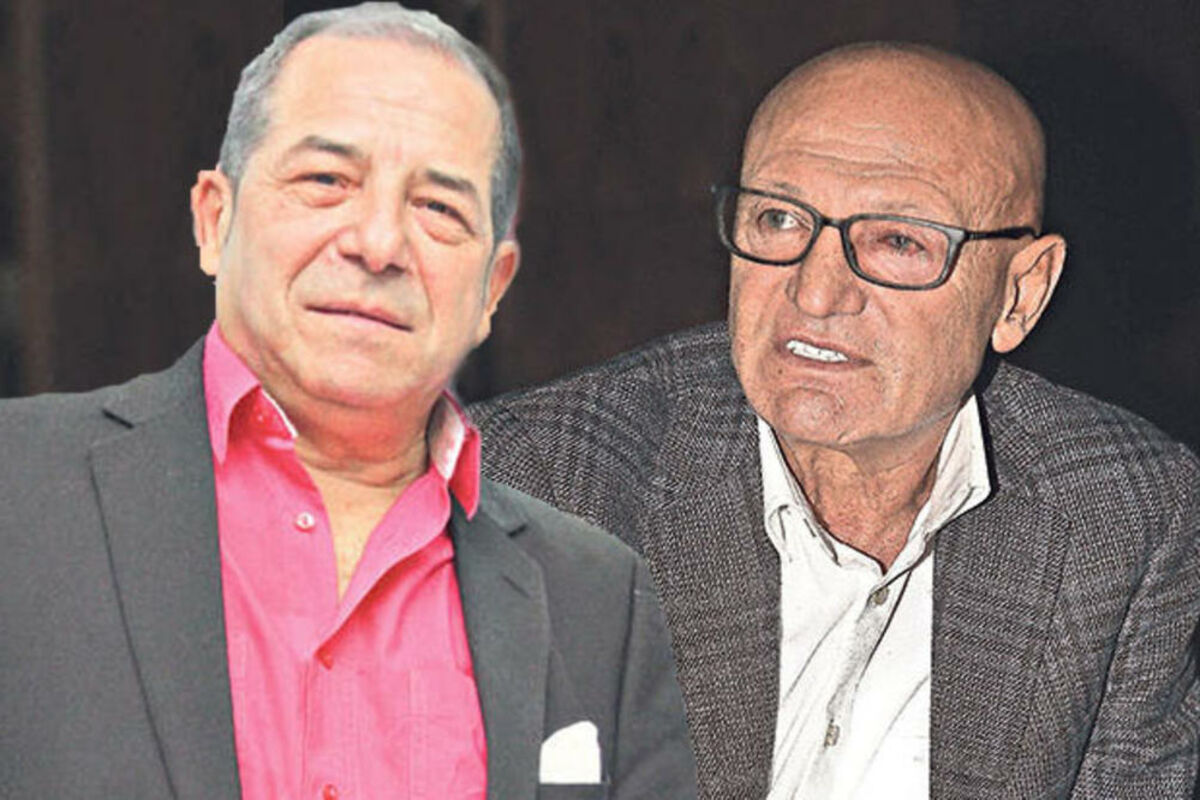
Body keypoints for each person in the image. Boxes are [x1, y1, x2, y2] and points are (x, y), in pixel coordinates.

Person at [0, 4, 696, 798]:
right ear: (215, 220)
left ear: (491, 289)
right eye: (326, 181)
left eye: (438, 208)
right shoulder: (18, 490)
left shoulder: (599, 602)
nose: (378, 244)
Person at [473, 43, 1200, 799]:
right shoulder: (521, 488)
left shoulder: (1128, 517)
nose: (815, 294)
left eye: (898, 241)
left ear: (1020, 293)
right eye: (780, 219)